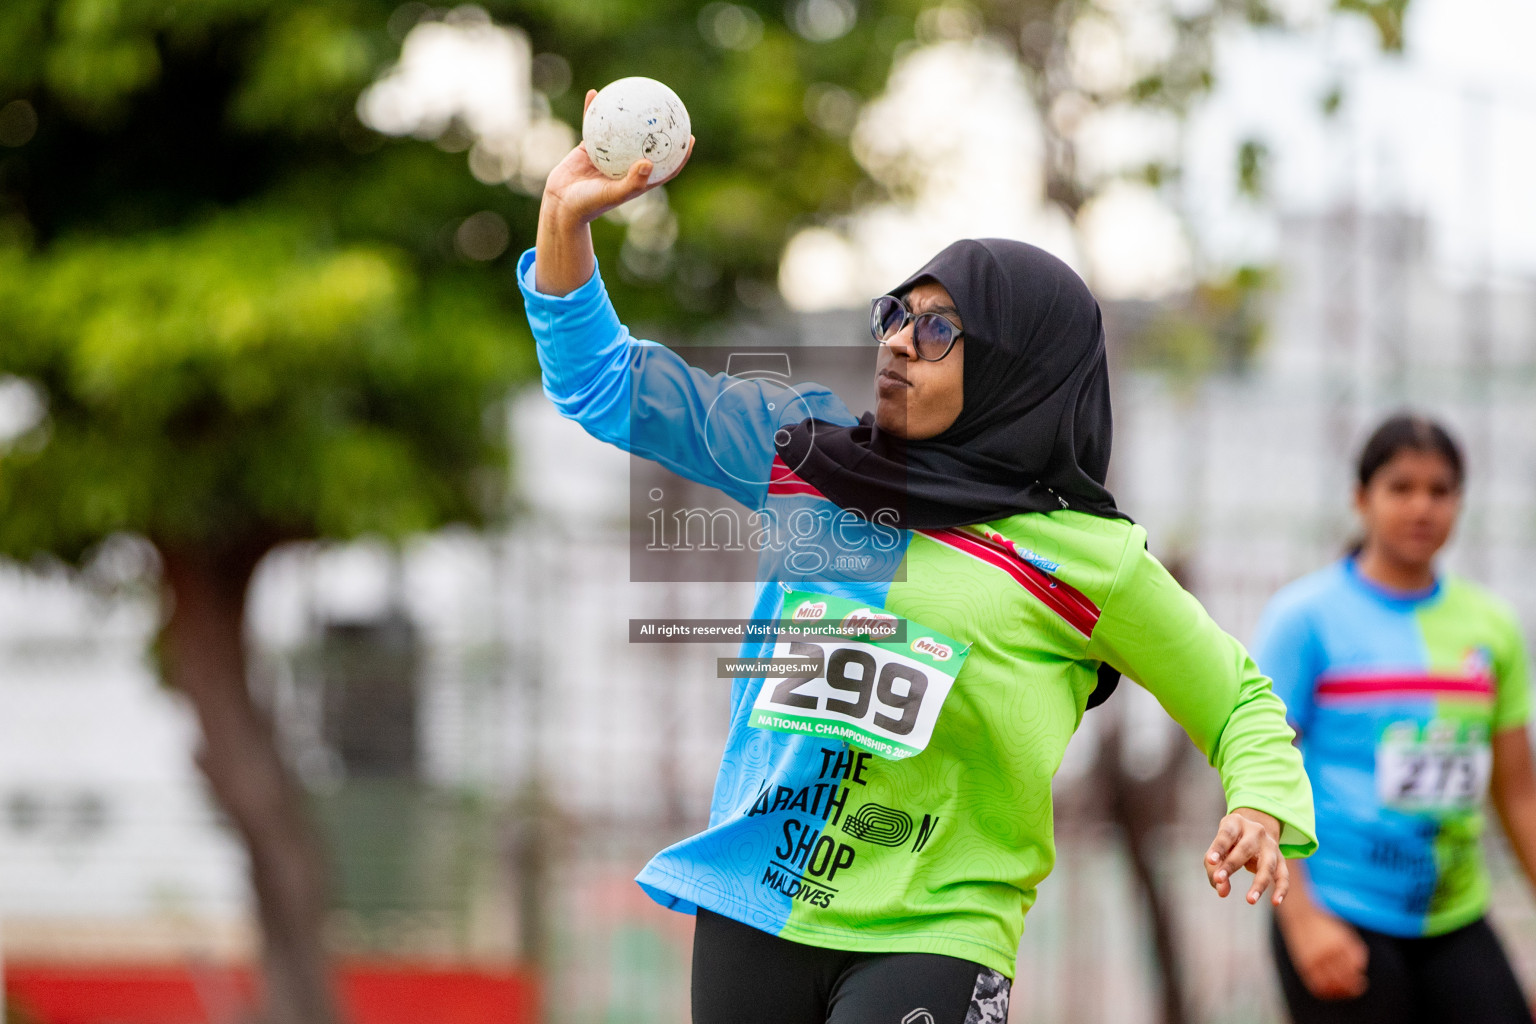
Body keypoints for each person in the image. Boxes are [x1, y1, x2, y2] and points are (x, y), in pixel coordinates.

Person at [522, 88, 1316, 1024]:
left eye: (939, 328)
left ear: (1022, 368)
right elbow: (604, 380)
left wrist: (1261, 804)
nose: (900, 342)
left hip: (936, 929)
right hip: (758, 900)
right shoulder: (808, 455)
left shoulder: (1087, 559)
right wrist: (562, 216)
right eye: (896, 314)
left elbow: (1238, 699)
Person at [1256, 414, 1536, 1024]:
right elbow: (1257, 778)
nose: (1422, 507)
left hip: (1455, 913)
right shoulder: (1304, 619)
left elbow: (1518, 795)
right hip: (1341, 910)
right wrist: (1303, 922)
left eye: (1440, 490)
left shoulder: (1492, 625)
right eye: (1401, 487)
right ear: (1362, 498)